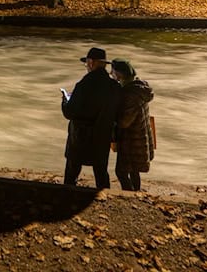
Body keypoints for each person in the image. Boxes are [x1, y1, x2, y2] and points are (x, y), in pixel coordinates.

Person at [62, 47, 121, 189]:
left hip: (80, 136)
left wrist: (65, 100)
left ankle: (67, 193)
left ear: (91, 62)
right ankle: (104, 194)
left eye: (87, 63)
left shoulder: (83, 85)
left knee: (72, 169)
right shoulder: (114, 86)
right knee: (101, 171)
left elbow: (69, 113)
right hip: (102, 135)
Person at [110, 59, 155, 191]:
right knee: (134, 170)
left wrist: (113, 118)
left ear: (118, 74)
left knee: (121, 172)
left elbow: (124, 122)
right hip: (141, 137)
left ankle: (130, 196)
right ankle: (136, 191)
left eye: (112, 72)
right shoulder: (139, 89)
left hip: (131, 140)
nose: (111, 74)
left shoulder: (129, 94)